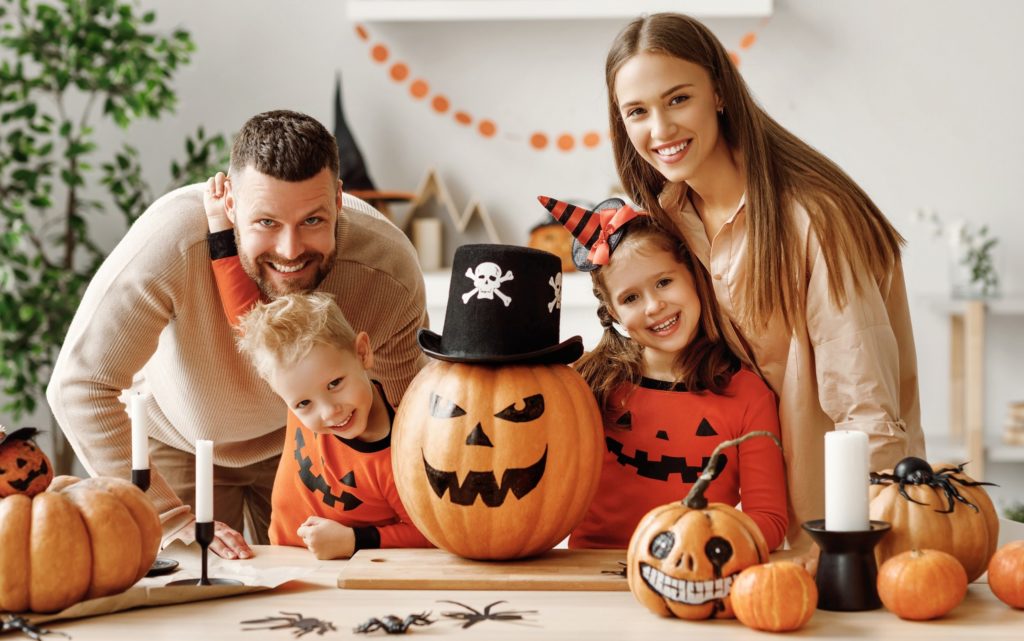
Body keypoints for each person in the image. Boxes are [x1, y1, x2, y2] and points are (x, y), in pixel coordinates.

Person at [604, 13, 926, 551]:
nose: (659, 131)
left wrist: (869, 552)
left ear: (720, 93)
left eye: (678, 99)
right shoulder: (671, 218)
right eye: (638, 111)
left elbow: (865, 407)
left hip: (839, 533)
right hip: (749, 529)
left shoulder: (814, 219)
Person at [45, 110, 428, 559]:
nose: (290, 251)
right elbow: (81, 386)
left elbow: (410, 415)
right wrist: (167, 518)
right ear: (229, 205)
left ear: (339, 201)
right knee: (197, 600)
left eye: (312, 221)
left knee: (319, 594)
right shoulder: (172, 242)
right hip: (178, 444)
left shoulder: (386, 267)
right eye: (266, 222)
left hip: (317, 443)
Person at [538, 196, 787, 551]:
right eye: (630, 298)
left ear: (694, 275)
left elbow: (770, 520)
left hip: (693, 571)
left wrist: (696, 551)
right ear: (612, 312)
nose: (654, 306)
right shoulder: (585, 384)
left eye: (664, 282)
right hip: (595, 573)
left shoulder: (748, 395)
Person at [228, 292, 431, 559]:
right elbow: (243, 313)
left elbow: (430, 535)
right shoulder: (299, 390)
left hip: (347, 574)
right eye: (303, 404)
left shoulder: (400, 457)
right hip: (281, 560)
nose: (328, 412)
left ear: (362, 353)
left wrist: (355, 540)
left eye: (335, 384)